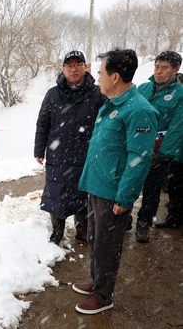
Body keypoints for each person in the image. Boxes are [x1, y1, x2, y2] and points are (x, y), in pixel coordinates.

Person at [73, 48, 159, 314]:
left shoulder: (139, 111)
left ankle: (103, 295)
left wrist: (125, 198)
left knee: (107, 246)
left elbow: (140, 158)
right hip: (96, 185)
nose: (97, 77)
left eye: (100, 73)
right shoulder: (111, 104)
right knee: (94, 239)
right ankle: (96, 280)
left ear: (116, 77)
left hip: (113, 192)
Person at [34, 50, 105, 246]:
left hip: (87, 154)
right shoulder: (53, 94)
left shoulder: (97, 93)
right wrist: (39, 149)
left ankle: (82, 233)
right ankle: (57, 232)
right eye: (69, 65)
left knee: (84, 195)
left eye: (77, 64)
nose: (73, 69)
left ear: (85, 67)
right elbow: (43, 123)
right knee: (56, 194)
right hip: (58, 155)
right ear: (63, 69)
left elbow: (106, 124)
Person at [137, 52, 183, 235]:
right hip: (137, 147)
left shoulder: (180, 95)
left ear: (176, 69)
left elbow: (178, 128)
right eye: (157, 67)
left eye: (164, 68)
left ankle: (143, 223)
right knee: (129, 185)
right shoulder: (143, 88)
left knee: (151, 190)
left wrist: (163, 154)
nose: (159, 72)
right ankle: (123, 220)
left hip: (159, 152)